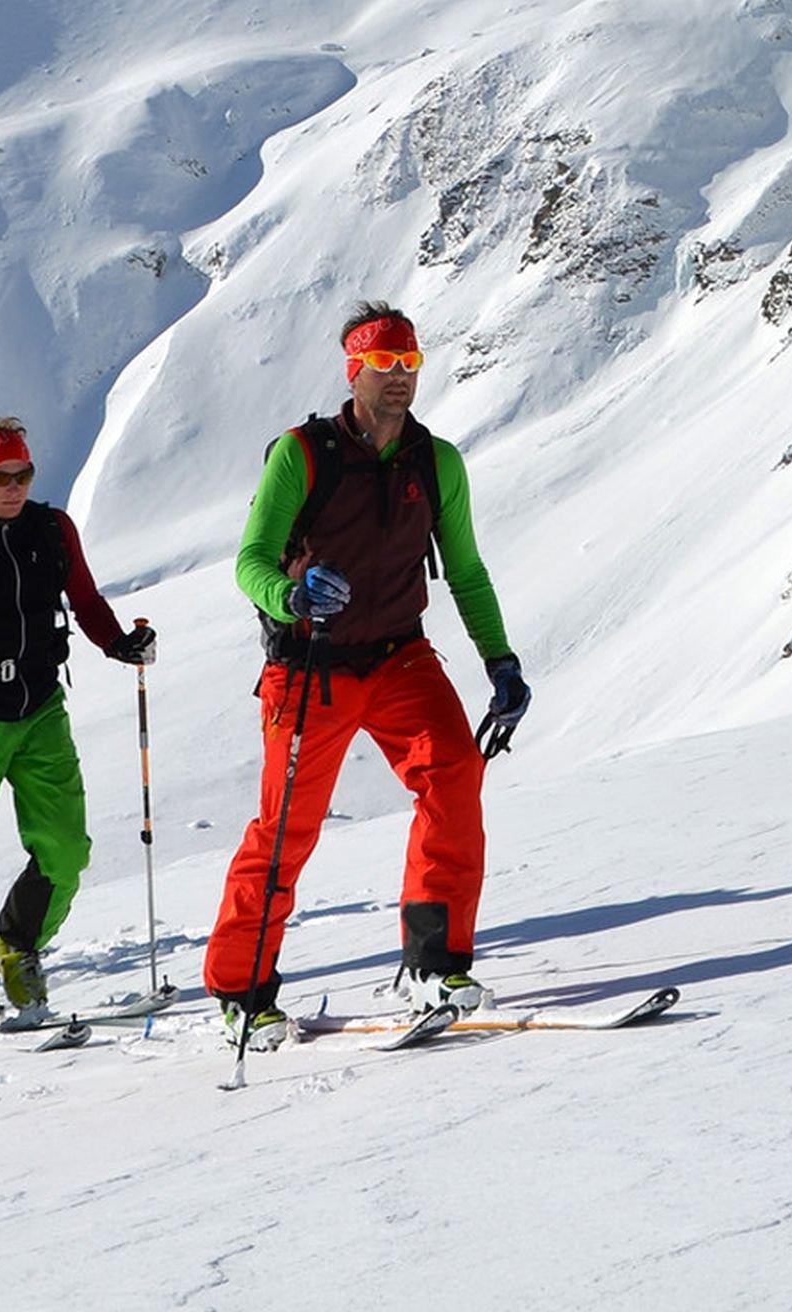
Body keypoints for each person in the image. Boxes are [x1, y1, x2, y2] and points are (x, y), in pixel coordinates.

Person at [205, 303, 530, 1051]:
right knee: (287, 829)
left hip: (398, 656)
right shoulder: (302, 454)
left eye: (411, 364)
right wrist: (289, 594)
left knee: (453, 776)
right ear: (354, 369)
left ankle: (433, 963)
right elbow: (249, 561)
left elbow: (467, 572)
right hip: (310, 665)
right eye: (385, 365)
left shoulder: (435, 460)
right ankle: (241, 990)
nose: (400, 379)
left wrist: (499, 660)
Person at [0, 416, 156, 1038]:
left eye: (23, 474)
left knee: (67, 847)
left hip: (40, 707)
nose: (13, 486)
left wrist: (121, 644)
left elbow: (86, 601)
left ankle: (18, 947)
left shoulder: (51, 529)